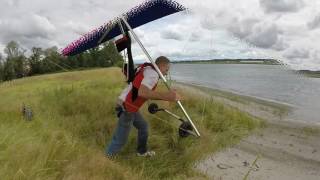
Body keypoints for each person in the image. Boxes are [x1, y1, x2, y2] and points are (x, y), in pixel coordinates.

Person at [106, 56, 180, 157]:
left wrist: (153, 100)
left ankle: (142, 152)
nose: (166, 73)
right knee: (120, 139)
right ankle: (107, 158)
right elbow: (142, 92)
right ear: (161, 66)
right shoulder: (153, 74)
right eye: (166, 69)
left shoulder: (147, 69)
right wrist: (167, 96)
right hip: (127, 107)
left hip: (126, 103)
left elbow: (140, 89)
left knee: (143, 126)